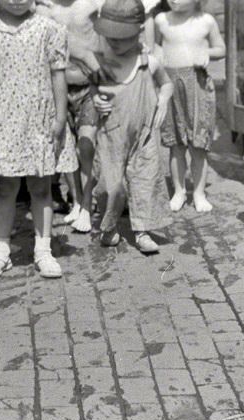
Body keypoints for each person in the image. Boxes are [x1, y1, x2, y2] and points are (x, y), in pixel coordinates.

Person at [0, 0, 77, 279]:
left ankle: (43, 250)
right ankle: (2, 251)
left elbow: (58, 74)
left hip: (38, 120)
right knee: (4, 187)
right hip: (4, 120)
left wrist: (60, 117)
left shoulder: (48, 29)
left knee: (41, 187)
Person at [88, 0, 174, 253]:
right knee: (108, 185)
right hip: (111, 135)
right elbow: (93, 88)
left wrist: (163, 101)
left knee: (144, 180)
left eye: (121, 38)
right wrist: (95, 98)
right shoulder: (102, 62)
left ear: (137, 32)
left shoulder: (149, 61)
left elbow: (166, 84)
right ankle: (110, 225)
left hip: (144, 133)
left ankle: (142, 231)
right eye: (110, 37)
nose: (114, 43)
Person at [39, 0, 104, 234]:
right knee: (65, 147)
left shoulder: (92, 4)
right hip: (58, 89)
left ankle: (88, 204)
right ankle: (76, 201)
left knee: (86, 146)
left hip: (88, 87)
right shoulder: (44, 9)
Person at [154, 0, 225, 213]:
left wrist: (207, 54)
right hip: (171, 82)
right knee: (176, 143)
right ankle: (179, 190)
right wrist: (157, 54)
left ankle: (199, 193)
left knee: (198, 143)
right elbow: (156, 44)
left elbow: (221, 48)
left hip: (198, 83)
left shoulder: (206, 21)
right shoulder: (161, 20)